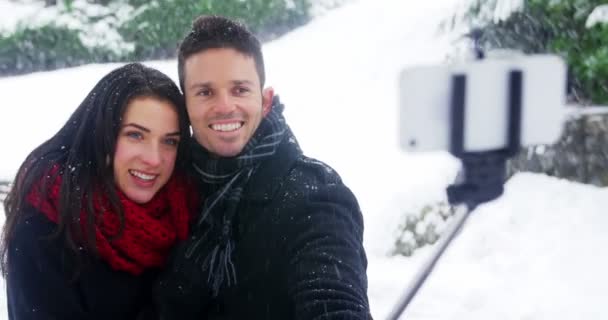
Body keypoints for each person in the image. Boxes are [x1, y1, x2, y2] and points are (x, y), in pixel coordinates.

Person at [155, 15, 372, 319]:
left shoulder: (314, 196)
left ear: (265, 99)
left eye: (240, 89)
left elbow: (335, 304)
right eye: (205, 92)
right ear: (184, 106)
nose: (225, 106)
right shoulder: (168, 188)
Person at [1, 63, 196, 320]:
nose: (154, 159)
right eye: (135, 135)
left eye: (169, 141)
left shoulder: (186, 209)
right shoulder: (44, 224)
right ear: (101, 134)